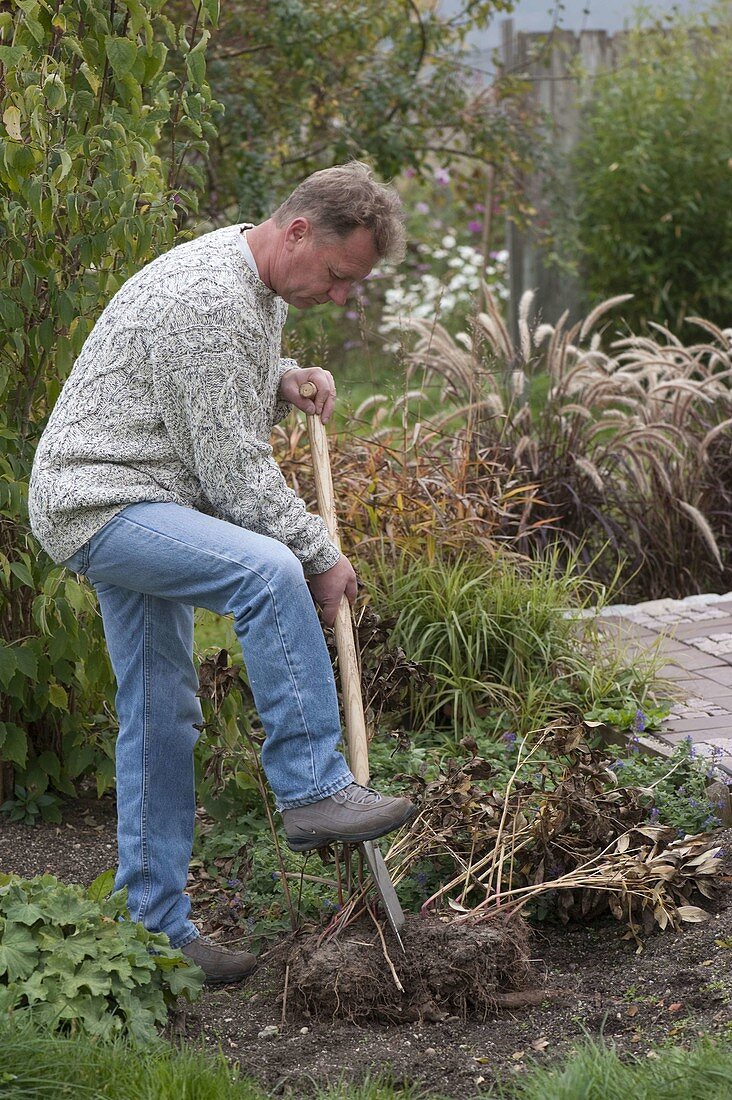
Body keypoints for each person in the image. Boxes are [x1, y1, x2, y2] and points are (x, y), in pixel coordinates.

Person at [27, 161, 417, 983]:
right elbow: (233, 475)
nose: (342, 298)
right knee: (268, 571)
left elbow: (205, 392)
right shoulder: (210, 299)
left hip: (136, 492)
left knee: (160, 713)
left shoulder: (252, 282)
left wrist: (281, 380)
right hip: (104, 502)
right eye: (342, 277)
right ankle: (315, 786)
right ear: (300, 231)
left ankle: (155, 931)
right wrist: (321, 554)